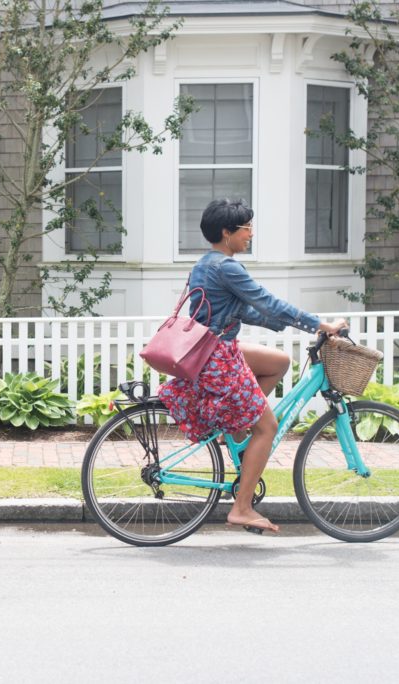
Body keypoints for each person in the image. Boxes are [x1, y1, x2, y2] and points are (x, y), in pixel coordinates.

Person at [157, 198, 346, 534]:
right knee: (267, 428)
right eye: (246, 228)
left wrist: (285, 325)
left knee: (279, 362)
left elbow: (243, 310)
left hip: (212, 349)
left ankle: (235, 425)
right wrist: (320, 324)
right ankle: (242, 508)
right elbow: (267, 301)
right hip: (219, 358)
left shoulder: (205, 264)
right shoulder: (227, 268)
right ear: (226, 232)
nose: (251, 234)